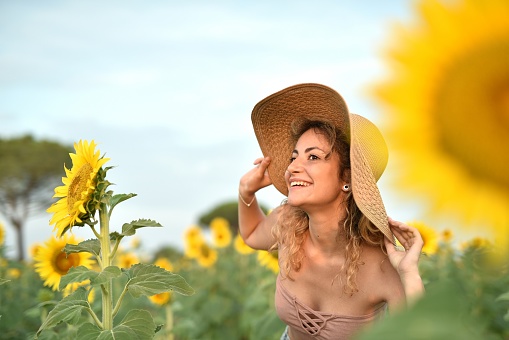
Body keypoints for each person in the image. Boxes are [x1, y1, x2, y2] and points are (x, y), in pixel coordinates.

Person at [238, 83, 424, 340]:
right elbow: (251, 234)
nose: (292, 168)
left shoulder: (381, 265)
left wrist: (409, 274)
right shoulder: (289, 226)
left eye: (312, 157)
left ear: (346, 178)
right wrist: (246, 193)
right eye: (294, 157)